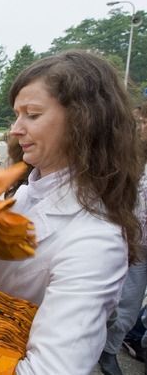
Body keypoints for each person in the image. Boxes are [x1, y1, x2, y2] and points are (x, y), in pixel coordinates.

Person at [0, 50, 142, 375]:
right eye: (16, 115)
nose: (15, 129)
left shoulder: (96, 239)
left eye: (32, 115)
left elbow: (51, 368)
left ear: (83, 120)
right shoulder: (24, 192)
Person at [98, 102, 147, 375]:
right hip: (135, 243)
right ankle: (108, 351)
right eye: (142, 121)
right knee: (124, 306)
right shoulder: (129, 157)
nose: (143, 128)